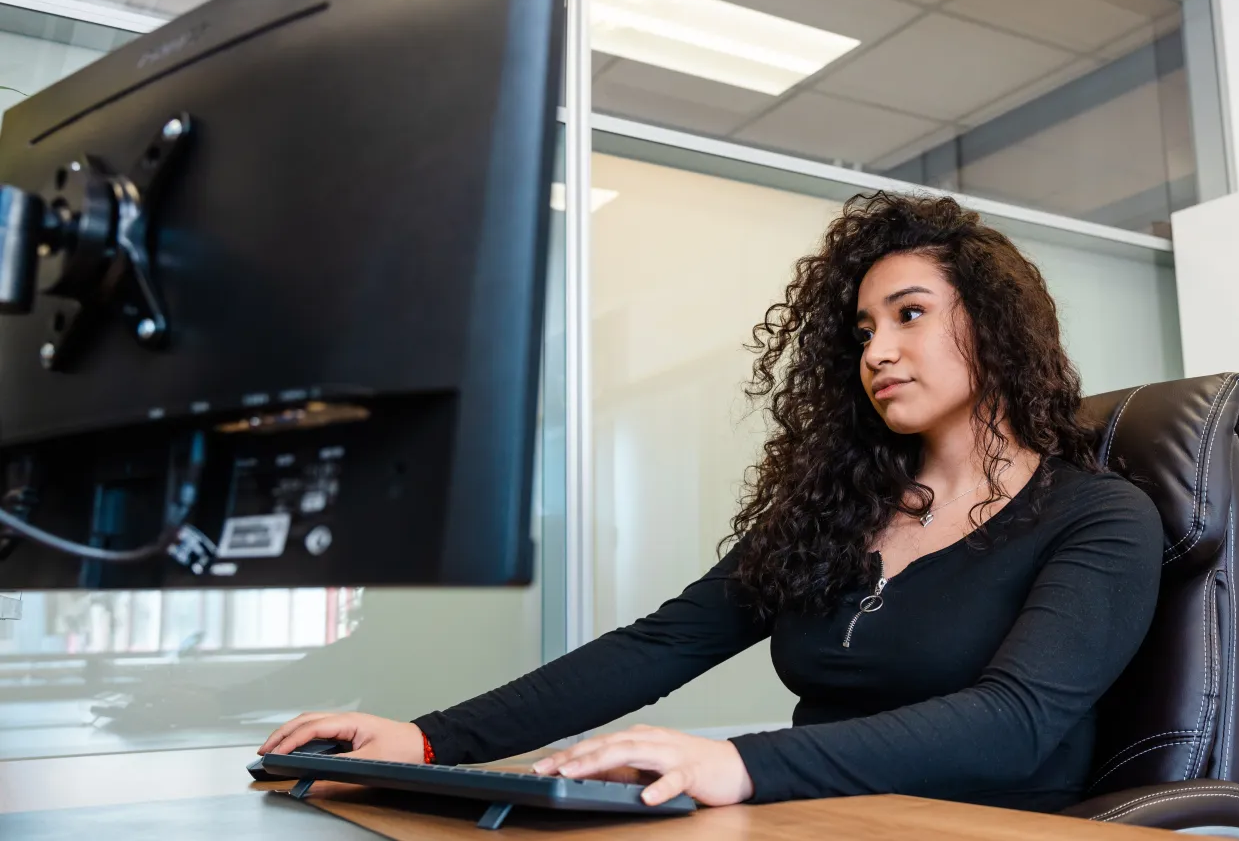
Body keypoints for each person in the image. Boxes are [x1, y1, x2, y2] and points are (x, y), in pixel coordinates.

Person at [259, 191, 1164, 813]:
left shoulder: (1099, 517)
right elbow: (658, 645)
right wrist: (425, 742)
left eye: (910, 314)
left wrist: (738, 762)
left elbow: (1015, 724)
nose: (877, 350)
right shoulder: (842, 509)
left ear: (995, 325)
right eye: (861, 330)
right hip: (810, 817)